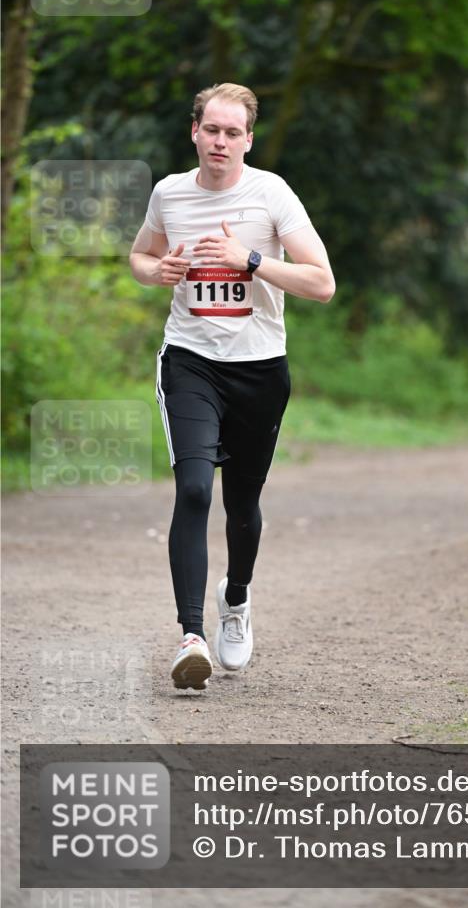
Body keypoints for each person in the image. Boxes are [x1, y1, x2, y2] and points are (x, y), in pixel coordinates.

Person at [129, 82, 335, 689]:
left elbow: (321, 283)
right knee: (194, 490)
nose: (220, 142)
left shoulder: (271, 193)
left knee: (241, 504)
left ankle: (236, 599)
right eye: (210, 130)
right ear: (194, 131)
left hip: (259, 370)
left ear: (249, 139)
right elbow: (140, 257)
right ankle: (191, 635)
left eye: (232, 132)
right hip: (190, 360)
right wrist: (156, 270)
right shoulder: (169, 193)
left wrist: (248, 259)